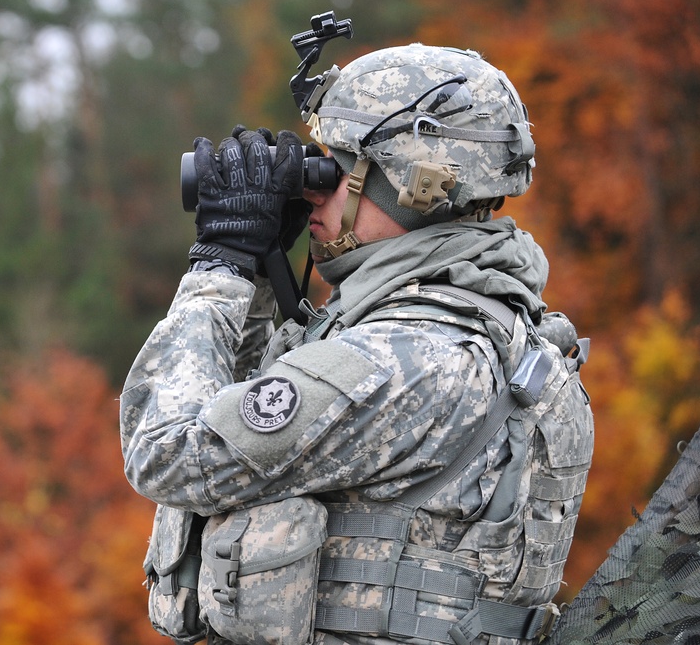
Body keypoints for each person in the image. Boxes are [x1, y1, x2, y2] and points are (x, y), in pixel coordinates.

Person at [120, 42, 594, 645]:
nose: (312, 191)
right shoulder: (485, 331)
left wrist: (221, 263)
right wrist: (264, 273)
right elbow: (240, 414)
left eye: (335, 170)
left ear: (414, 187)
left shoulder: (409, 357)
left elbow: (167, 450)